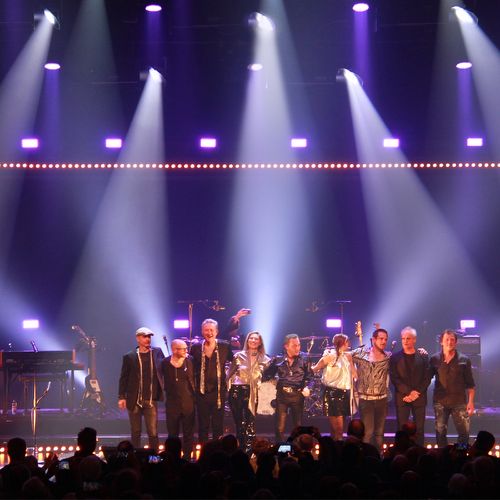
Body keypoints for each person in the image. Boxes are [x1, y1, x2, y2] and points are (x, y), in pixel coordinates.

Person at [118, 327, 165, 451]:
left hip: (150, 399)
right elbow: (124, 377)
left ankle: (154, 459)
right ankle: (135, 458)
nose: (148, 339)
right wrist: (121, 397)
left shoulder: (157, 352)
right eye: (145, 336)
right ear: (138, 338)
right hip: (134, 399)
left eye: (149, 336)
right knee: (136, 431)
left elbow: (164, 369)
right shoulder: (129, 356)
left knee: (153, 432)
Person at [190, 318, 233, 443]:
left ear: (216, 332)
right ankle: (204, 450)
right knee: (203, 425)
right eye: (206, 330)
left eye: (211, 330)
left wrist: (229, 377)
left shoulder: (225, 346)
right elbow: (191, 367)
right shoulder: (196, 347)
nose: (209, 333)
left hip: (218, 393)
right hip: (201, 393)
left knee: (217, 425)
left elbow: (236, 362)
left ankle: (217, 450)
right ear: (202, 332)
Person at [226, 331, 271, 452]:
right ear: (247, 340)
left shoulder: (266, 359)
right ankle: (240, 450)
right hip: (237, 390)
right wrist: (226, 389)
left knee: (250, 422)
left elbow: (269, 378)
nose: (253, 340)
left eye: (256, 339)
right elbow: (229, 374)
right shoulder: (238, 356)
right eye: (251, 338)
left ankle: (249, 451)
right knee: (239, 422)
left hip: (254, 391)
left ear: (260, 342)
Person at [430, 329, 475, 447]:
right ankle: (443, 454)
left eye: (452, 340)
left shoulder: (464, 360)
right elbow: (426, 378)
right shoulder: (434, 359)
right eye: (447, 339)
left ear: (456, 342)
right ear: (441, 342)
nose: (449, 342)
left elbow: (470, 383)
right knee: (440, 432)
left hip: (459, 402)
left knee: (464, 433)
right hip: (440, 402)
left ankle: (461, 454)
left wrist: (471, 402)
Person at [264, 334, 312, 443]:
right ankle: (281, 449)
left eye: (299, 345)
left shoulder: (305, 358)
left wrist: (308, 387)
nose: (297, 348)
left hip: (297, 395)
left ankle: (297, 447)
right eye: (294, 345)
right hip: (282, 395)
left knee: (298, 425)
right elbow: (267, 375)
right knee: (279, 427)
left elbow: (310, 377)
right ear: (286, 346)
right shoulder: (278, 359)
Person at [389, 326, 431, 446]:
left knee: (419, 429)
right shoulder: (395, 358)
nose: (405, 341)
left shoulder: (423, 356)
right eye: (403, 338)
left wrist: (416, 393)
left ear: (414, 340)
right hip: (403, 397)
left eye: (408, 338)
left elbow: (427, 377)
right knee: (402, 429)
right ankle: (401, 452)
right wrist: (408, 392)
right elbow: (394, 378)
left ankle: (419, 452)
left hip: (419, 397)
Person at [351, 327, 391, 452]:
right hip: (366, 399)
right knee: (368, 432)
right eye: (381, 339)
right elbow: (346, 356)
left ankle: (378, 457)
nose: (384, 341)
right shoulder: (362, 354)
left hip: (382, 399)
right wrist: (353, 371)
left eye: (385, 339)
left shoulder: (388, 356)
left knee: (379, 433)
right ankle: (365, 457)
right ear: (373, 340)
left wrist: (420, 352)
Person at [312, 333, 355, 440]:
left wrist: (352, 364)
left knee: (338, 429)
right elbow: (315, 369)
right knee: (338, 429)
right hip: (332, 393)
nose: (349, 343)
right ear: (342, 343)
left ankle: (335, 445)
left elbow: (355, 374)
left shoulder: (348, 356)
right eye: (347, 341)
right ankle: (338, 445)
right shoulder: (330, 356)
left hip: (345, 393)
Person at [161, 338, 196, 459]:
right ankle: (172, 458)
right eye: (183, 349)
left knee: (188, 432)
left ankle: (187, 457)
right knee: (172, 434)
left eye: (186, 348)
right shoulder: (165, 362)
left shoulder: (190, 360)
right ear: (174, 350)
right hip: (172, 403)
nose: (186, 351)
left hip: (188, 402)